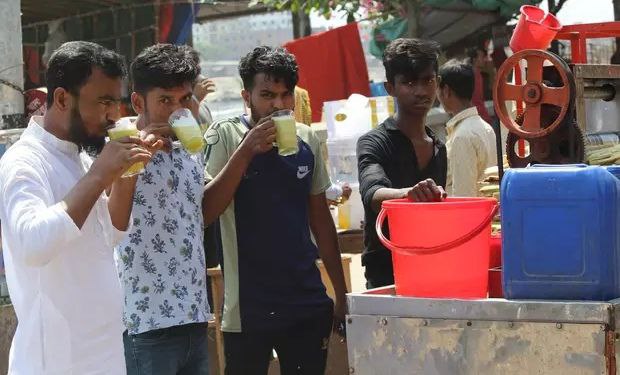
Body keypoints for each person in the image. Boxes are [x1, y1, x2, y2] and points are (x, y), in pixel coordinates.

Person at [0, 41, 162, 374]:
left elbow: (112, 234)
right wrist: (102, 174)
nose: (113, 115)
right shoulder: (24, 163)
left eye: (115, 102)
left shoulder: (81, 156)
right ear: (61, 98)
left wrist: (129, 170)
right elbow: (33, 245)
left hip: (103, 354)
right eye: (103, 102)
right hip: (57, 362)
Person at [204, 46, 348, 375]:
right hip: (247, 311)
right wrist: (247, 150)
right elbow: (206, 212)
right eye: (267, 95)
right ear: (246, 96)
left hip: (306, 303)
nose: (278, 105)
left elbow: (321, 222)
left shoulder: (307, 140)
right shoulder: (225, 136)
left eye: (286, 95)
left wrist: (340, 294)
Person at [116, 44, 210, 375]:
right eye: (165, 101)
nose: (176, 111)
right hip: (146, 325)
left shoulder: (191, 148)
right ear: (139, 102)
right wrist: (137, 156)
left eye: (184, 100)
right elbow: (113, 223)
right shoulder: (118, 145)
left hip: (196, 316)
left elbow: (198, 215)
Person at [357, 38, 448, 289]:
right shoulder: (373, 142)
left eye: (428, 80)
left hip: (432, 271)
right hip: (386, 275)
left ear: (438, 83)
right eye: (409, 83)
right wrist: (408, 194)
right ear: (390, 87)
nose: (420, 91)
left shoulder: (439, 148)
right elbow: (372, 192)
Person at [437, 59, 497, 197]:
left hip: (472, 215)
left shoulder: (461, 136)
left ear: (446, 91)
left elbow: (463, 196)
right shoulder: (485, 127)